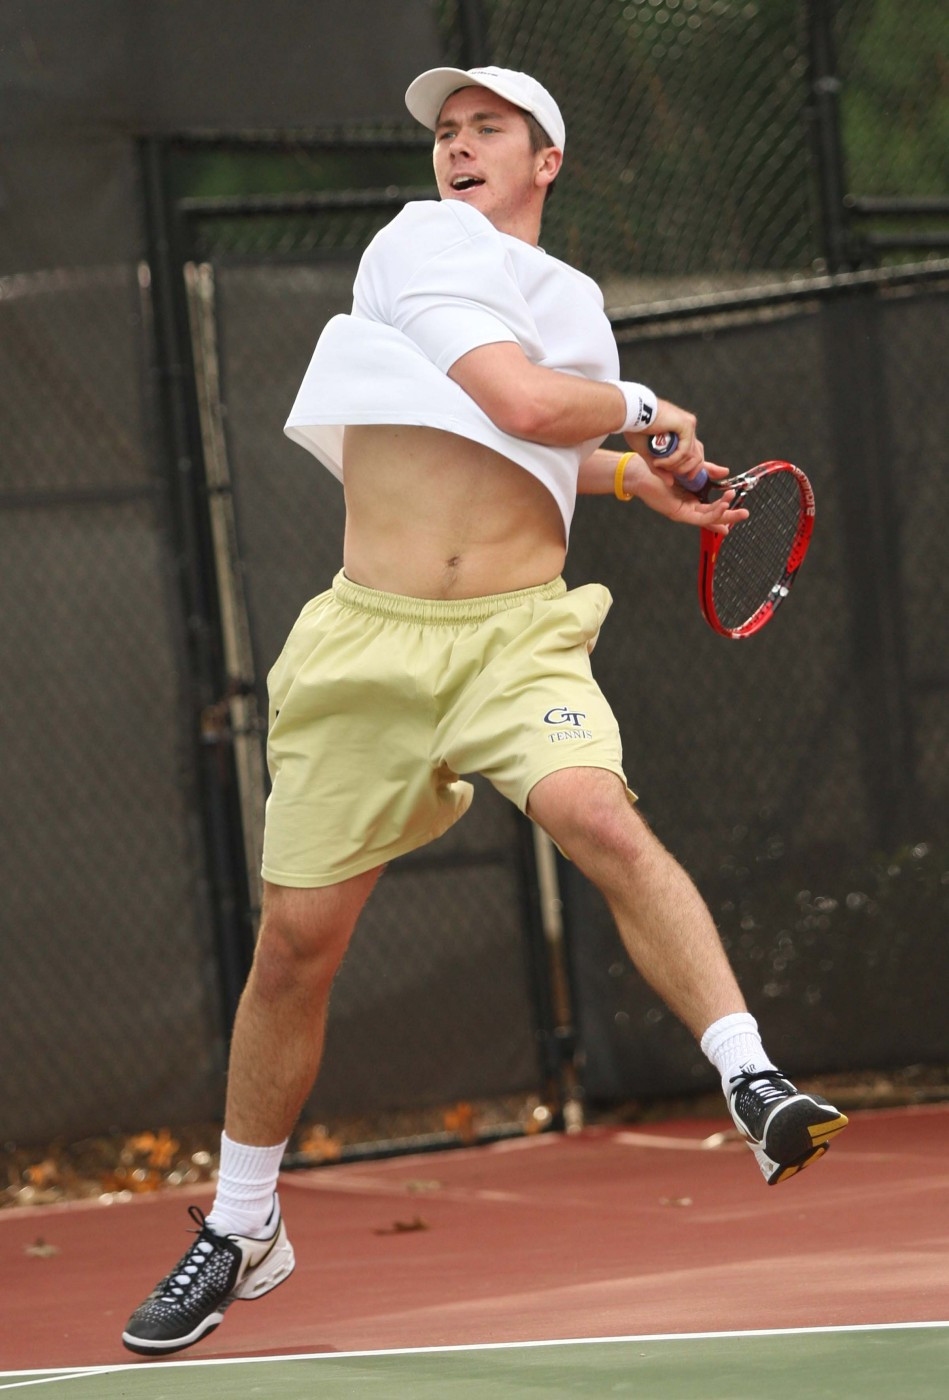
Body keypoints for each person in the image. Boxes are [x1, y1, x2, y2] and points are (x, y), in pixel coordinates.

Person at [123, 64, 848, 1356]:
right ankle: (242, 1226)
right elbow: (517, 396)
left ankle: (751, 1075)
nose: (458, 148)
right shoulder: (420, 240)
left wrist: (628, 478)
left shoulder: (572, 301)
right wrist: (650, 417)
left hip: (518, 637)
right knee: (296, 947)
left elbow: (530, 437)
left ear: (545, 160)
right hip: (369, 645)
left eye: (487, 130)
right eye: (447, 132)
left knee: (598, 817)